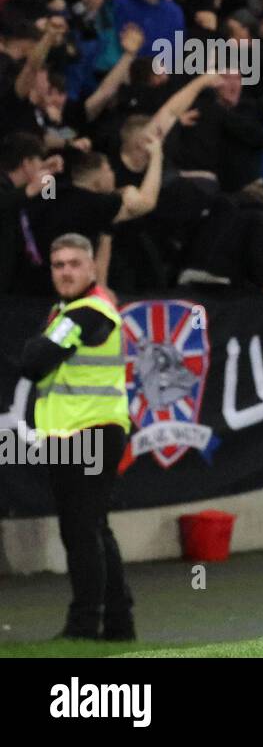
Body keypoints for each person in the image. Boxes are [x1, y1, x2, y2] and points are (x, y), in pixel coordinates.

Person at [18, 233, 135, 640]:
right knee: (94, 527)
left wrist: (38, 346)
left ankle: (84, 624)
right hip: (79, 433)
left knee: (80, 529)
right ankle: (119, 624)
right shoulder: (65, 311)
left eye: (73, 264)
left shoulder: (85, 313)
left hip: (90, 434)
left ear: (91, 267)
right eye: (58, 265)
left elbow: (33, 362)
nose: (66, 271)